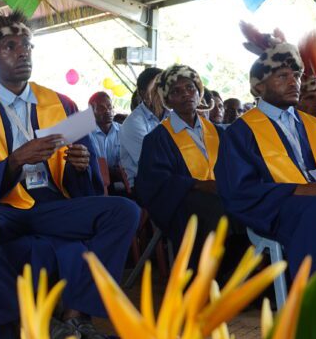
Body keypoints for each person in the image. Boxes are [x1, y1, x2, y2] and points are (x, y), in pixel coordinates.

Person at [0, 11, 139, 339]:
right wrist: (16, 160)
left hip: (53, 207)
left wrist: (81, 166)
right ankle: (26, 320)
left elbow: (87, 173)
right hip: (4, 209)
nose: (22, 53)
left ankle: (78, 317)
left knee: (124, 210)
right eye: (10, 46)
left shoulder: (62, 104)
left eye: (27, 46)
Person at [217, 23, 316, 279]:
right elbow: (237, 190)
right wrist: (295, 189)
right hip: (274, 208)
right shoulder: (241, 132)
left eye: (296, 76)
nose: (294, 82)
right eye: (282, 76)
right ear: (258, 87)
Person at [135, 65, 231, 257]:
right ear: (168, 100)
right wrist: (198, 185)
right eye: (176, 91)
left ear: (199, 92)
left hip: (223, 195)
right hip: (181, 204)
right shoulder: (157, 139)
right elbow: (154, 183)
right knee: (215, 210)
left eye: (190, 88)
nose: (186, 94)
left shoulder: (218, 132)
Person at [119, 66, 163, 185]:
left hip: (171, 180)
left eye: (164, 87)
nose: (161, 93)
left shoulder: (173, 115)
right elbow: (152, 162)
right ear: (142, 93)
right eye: (155, 89)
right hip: (146, 184)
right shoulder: (133, 123)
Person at [87, 91, 124, 193]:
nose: (107, 111)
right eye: (101, 108)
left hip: (120, 179)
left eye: (109, 107)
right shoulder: (86, 134)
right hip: (95, 181)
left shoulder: (123, 130)